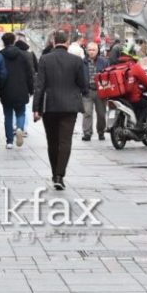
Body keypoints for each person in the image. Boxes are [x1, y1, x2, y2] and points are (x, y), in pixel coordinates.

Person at [33, 30, 88, 190]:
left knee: (52, 141)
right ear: (68, 41)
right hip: (70, 106)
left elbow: (39, 85)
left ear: (53, 41)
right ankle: (59, 175)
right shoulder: (76, 61)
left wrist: (36, 108)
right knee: (65, 141)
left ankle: (54, 172)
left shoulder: (44, 59)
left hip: (49, 106)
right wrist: (82, 92)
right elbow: (83, 85)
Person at [0, 32, 34, 149]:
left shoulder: (0, 55)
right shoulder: (23, 55)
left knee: (8, 116)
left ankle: (9, 141)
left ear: (3, 42)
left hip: (6, 90)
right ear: (14, 41)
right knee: (20, 112)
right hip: (21, 88)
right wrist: (31, 89)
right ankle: (20, 128)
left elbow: (0, 74)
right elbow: (29, 74)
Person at [116, 45, 147, 128]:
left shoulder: (117, 66)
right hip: (132, 98)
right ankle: (139, 126)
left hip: (120, 98)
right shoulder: (135, 67)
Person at [81, 42, 110, 141]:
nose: (91, 52)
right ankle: (87, 133)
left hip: (100, 91)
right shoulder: (82, 62)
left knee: (101, 114)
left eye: (93, 50)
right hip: (87, 90)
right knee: (87, 113)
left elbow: (108, 75)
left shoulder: (104, 62)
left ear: (97, 51)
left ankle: (101, 131)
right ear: (86, 51)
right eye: (89, 50)